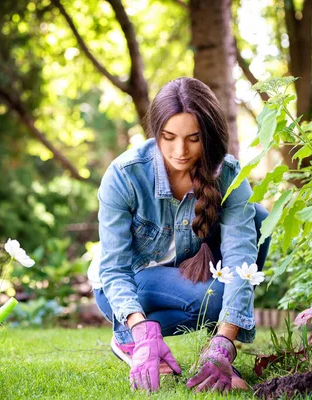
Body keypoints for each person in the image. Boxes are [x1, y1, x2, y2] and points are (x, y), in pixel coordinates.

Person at [87, 77, 270, 392]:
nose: (180, 151)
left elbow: (241, 261)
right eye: (168, 137)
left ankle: (213, 357)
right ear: (156, 132)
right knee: (212, 298)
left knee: (259, 223)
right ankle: (133, 337)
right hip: (123, 282)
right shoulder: (125, 176)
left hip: (176, 277)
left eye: (193, 138)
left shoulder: (227, 175)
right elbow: (115, 268)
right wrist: (140, 328)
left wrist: (226, 341)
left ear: (208, 136)